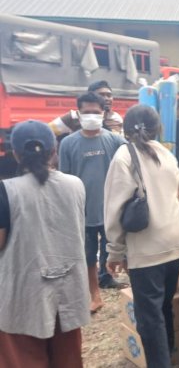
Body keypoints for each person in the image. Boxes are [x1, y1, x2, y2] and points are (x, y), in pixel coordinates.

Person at [0, 121, 89, 368]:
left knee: (23, 358)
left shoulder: (6, 191)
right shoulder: (76, 185)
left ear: (15, 154)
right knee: (68, 358)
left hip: (23, 294)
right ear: (54, 151)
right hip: (68, 292)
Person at [104, 105, 179, 367]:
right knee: (163, 305)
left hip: (147, 246)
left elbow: (115, 207)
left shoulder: (123, 157)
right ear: (158, 128)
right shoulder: (165, 153)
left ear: (125, 128)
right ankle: (170, 351)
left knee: (149, 316)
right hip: (175, 239)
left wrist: (114, 251)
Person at [59, 92, 127, 313]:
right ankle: (94, 295)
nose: (90, 116)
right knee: (88, 255)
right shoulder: (68, 143)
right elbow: (64, 179)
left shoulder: (116, 141)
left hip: (111, 211)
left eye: (95, 113)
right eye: (86, 112)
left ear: (104, 113)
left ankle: (120, 285)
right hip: (82, 212)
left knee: (117, 250)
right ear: (78, 114)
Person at [49, 80, 124, 137]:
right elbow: (47, 132)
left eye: (109, 95)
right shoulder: (73, 117)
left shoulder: (116, 118)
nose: (106, 98)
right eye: (101, 95)